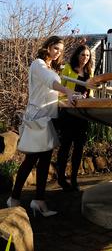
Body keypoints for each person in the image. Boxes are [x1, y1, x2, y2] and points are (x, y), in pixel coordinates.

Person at [7, 36, 77, 216]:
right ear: (47, 47)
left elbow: (50, 92)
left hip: (46, 118)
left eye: (60, 50)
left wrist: (66, 98)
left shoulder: (50, 67)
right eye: (55, 48)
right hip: (37, 119)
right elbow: (49, 82)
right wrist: (68, 90)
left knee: (44, 161)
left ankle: (39, 200)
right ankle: (14, 198)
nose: (58, 53)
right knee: (31, 160)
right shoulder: (38, 64)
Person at [56, 44, 94, 192]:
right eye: (83, 55)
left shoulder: (89, 72)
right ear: (77, 55)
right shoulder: (67, 69)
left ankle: (74, 179)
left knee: (79, 148)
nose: (85, 58)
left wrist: (87, 97)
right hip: (68, 114)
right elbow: (58, 91)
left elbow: (90, 93)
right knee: (65, 147)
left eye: (87, 56)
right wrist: (70, 95)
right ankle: (61, 177)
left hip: (82, 115)